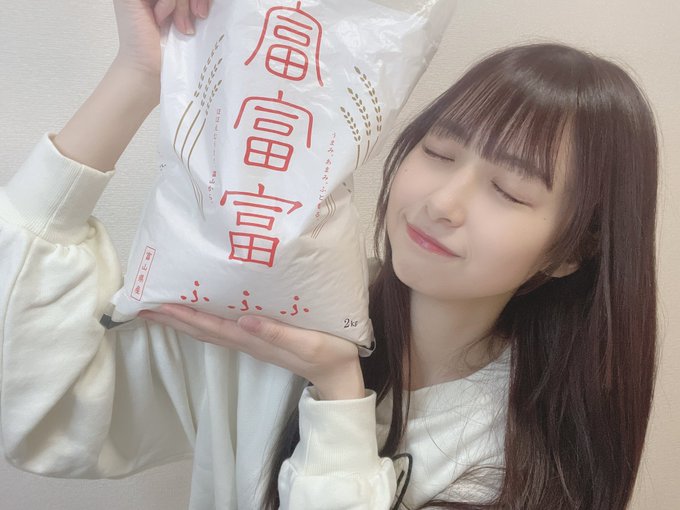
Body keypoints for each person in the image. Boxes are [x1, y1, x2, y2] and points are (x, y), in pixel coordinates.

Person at [0, 1, 658, 510]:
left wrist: (340, 391)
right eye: (439, 152)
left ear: (570, 252)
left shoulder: (525, 457)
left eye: (509, 191)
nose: (443, 202)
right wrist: (139, 74)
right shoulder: (274, 313)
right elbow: (37, 405)